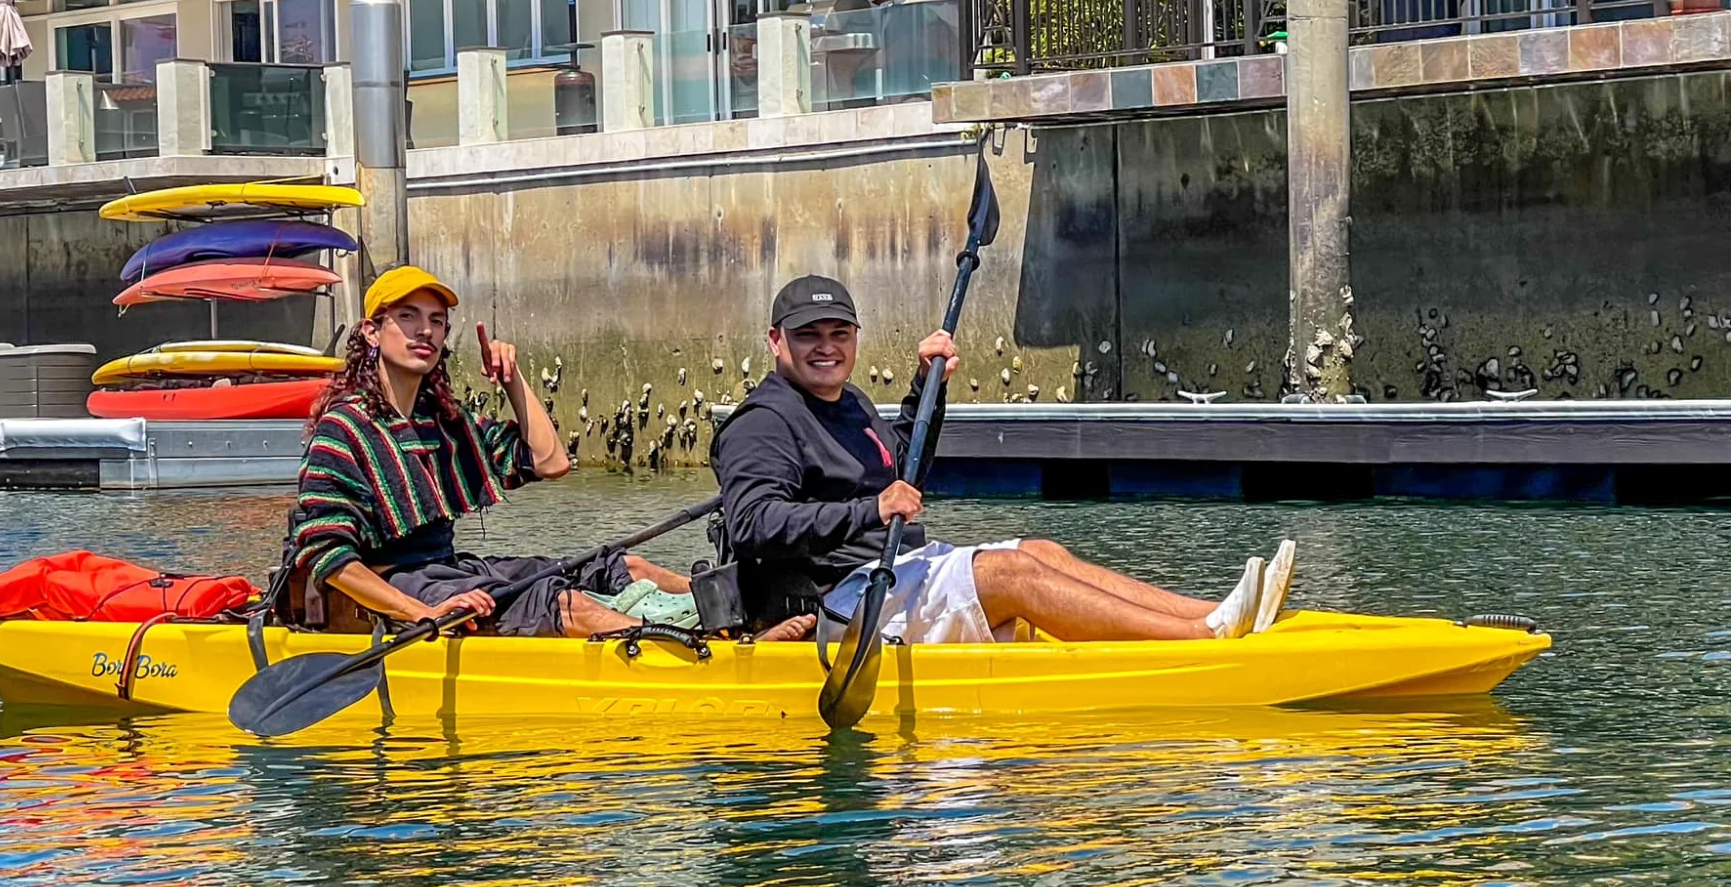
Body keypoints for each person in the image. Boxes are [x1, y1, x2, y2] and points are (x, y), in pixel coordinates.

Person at [709, 275, 1298, 645]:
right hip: (834, 604)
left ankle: (1210, 612)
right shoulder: (764, 423)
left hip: (891, 575)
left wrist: (925, 388)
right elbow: (755, 525)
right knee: (1010, 575)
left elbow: (901, 469)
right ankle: (1198, 638)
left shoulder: (848, 403)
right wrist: (870, 510)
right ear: (776, 341)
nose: (827, 347)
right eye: (810, 335)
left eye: (840, 333)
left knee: (1037, 552)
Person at [288, 266, 687, 638]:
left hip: (449, 570)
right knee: (561, 604)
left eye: (436, 321)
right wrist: (418, 612)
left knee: (623, 566)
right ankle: (689, 650)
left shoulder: (444, 423)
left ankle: (732, 609)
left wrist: (511, 380)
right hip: (398, 586)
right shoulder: (342, 429)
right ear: (372, 333)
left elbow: (551, 462)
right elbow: (328, 556)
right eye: (407, 317)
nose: (424, 330)